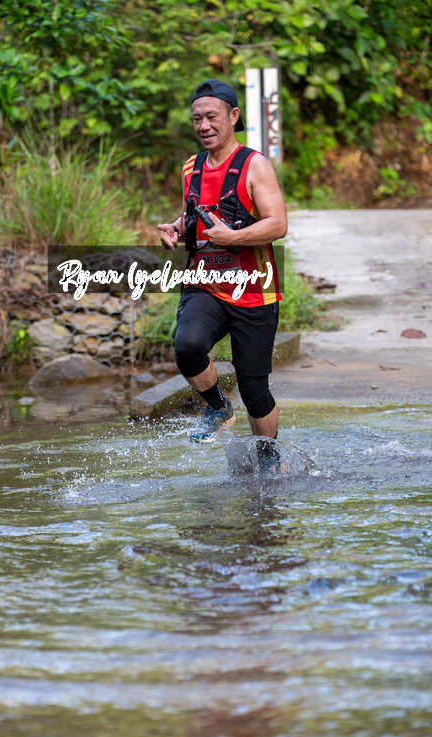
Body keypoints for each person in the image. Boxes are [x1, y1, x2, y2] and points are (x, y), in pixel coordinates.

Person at [157, 79, 287, 471]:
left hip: (254, 289)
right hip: (205, 282)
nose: (203, 125)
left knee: (254, 388)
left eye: (211, 117)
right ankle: (217, 407)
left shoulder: (254, 165)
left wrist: (234, 237)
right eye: (197, 119)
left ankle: (267, 463)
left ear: (233, 116)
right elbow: (195, 214)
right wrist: (177, 228)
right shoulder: (191, 167)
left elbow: (278, 224)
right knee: (188, 345)